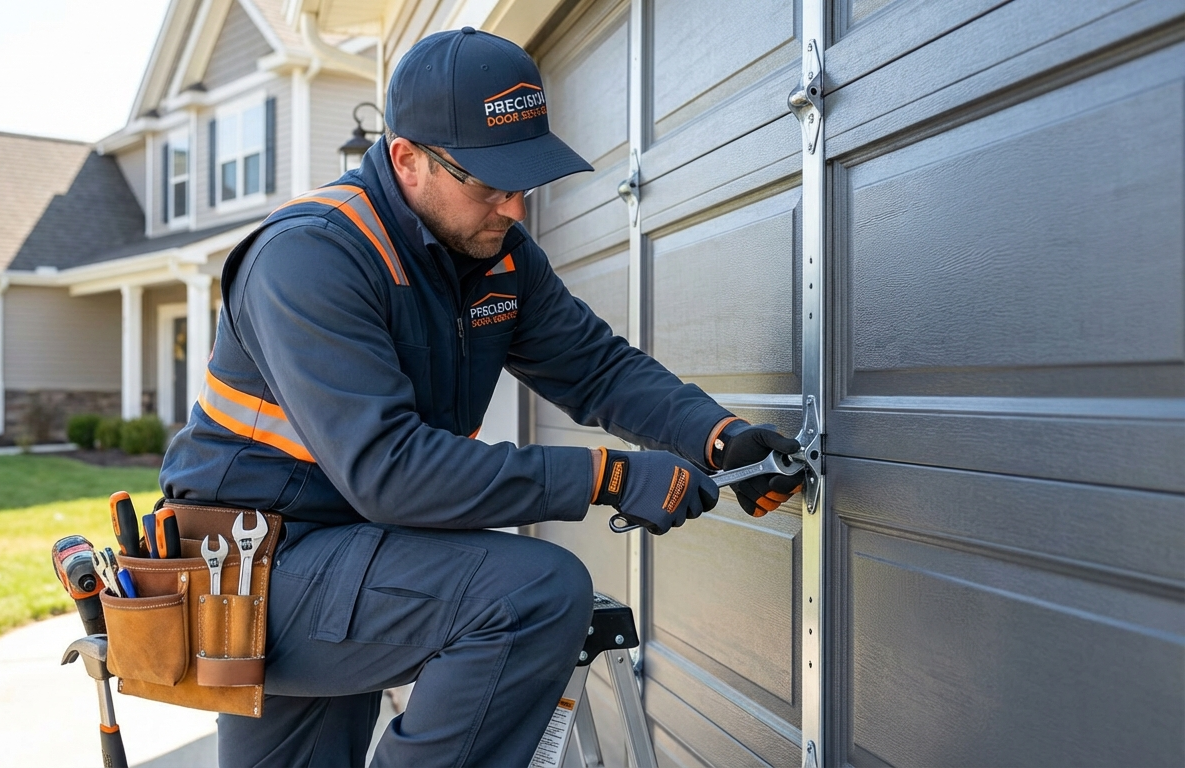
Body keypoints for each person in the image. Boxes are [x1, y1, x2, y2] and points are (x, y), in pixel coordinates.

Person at [159, 26, 803, 768]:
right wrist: (611, 477)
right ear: (406, 158)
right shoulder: (309, 258)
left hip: (355, 555)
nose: (514, 208)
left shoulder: (494, 253)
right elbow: (391, 473)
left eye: (523, 183)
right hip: (253, 571)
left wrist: (717, 437)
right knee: (534, 592)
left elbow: (596, 368)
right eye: (489, 184)